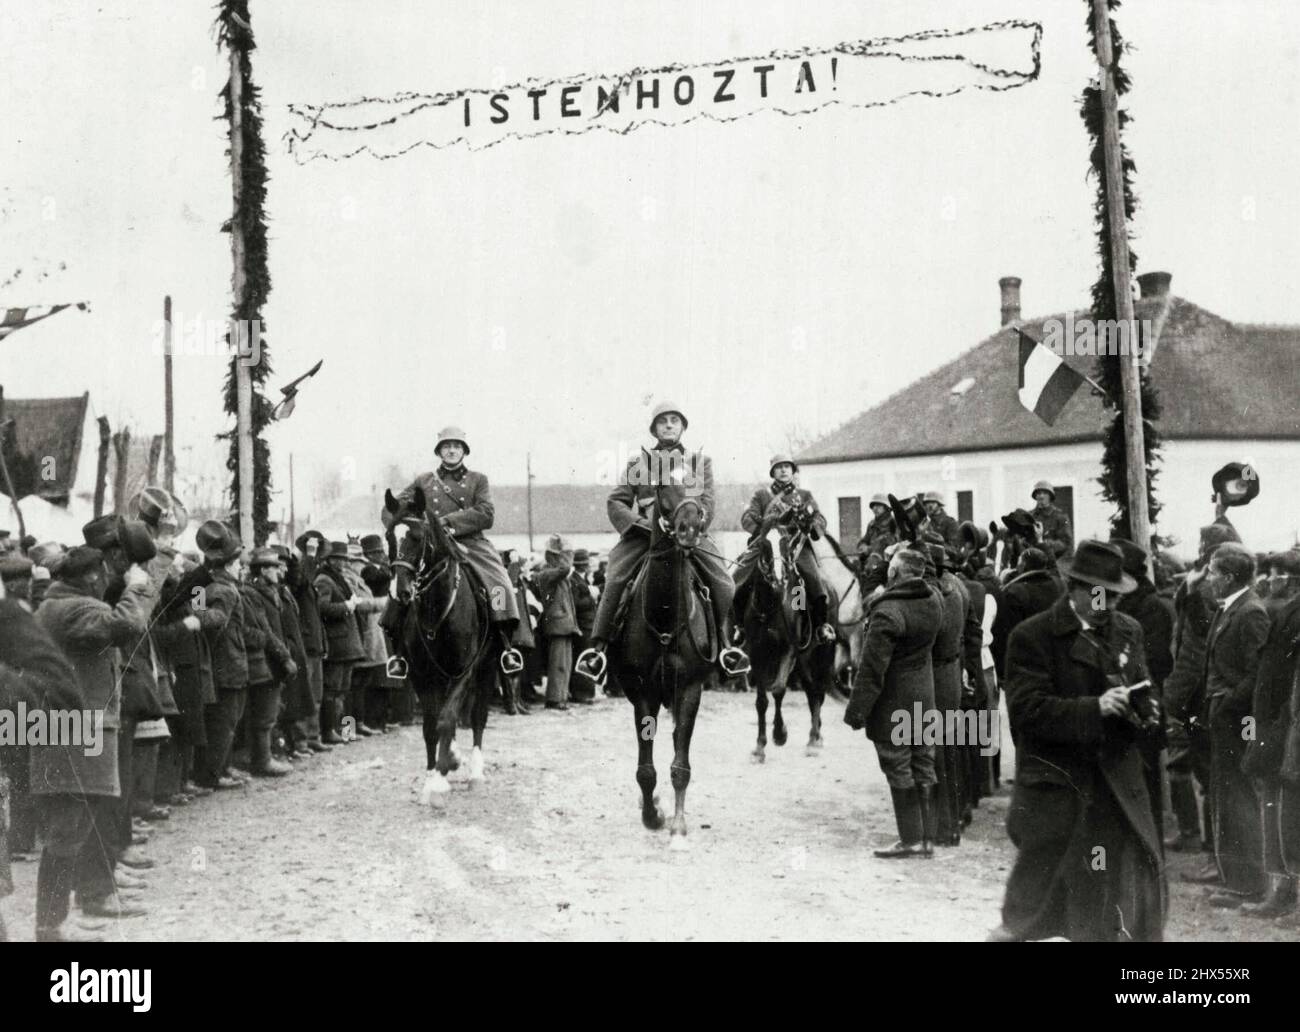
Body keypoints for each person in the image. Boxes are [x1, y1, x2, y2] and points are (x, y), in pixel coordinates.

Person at [990, 540, 1165, 942]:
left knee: (1109, 903)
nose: (1113, 605)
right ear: (1076, 588)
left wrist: (1149, 711)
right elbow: (1027, 712)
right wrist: (1094, 708)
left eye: (1118, 597)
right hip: (1058, 787)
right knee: (1027, 912)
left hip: (1114, 788)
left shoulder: (1127, 630)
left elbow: (1143, 686)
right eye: (1105, 595)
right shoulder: (1032, 637)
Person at [33, 545, 155, 930]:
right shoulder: (75, 610)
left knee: (79, 827)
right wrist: (135, 589)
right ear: (90, 577)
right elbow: (126, 625)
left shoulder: (58, 605)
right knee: (68, 833)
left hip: (72, 734)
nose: (107, 581)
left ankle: (86, 900)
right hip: (75, 737)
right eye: (103, 575)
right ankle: (52, 927)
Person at [580, 402, 746, 679]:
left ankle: (727, 646)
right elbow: (617, 502)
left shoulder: (697, 462)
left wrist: (692, 527)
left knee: (724, 581)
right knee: (615, 577)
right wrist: (645, 525)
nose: (669, 425)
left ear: (682, 427)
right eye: (663, 421)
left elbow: (706, 503)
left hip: (689, 535)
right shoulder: (640, 463)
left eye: (674, 420)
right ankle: (597, 650)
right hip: (646, 537)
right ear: (654, 428)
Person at [383, 426, 524, 672]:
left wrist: (445, 523)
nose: (451, 450)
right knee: (402, 580)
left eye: (456, 446)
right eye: (447, 446)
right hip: (429, 545)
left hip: (469, 543)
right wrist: (397, 522)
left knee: (499, 582)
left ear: (464, 451)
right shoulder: (423, 481)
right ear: (439, 451)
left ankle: (505, 642)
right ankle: (398, 652)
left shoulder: (478, 479)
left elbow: (486, 513)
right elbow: (393, 508)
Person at [843, 548, 943, 858]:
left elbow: (872, 669)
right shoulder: (933, 601)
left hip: (894, 704)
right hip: (924, 699)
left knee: (899, 768)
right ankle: (928, 839)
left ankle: (911, 839)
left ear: (894, 574)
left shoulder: (887, 611)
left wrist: (856, 712)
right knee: (924, 764)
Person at [1198, 542, 1271, 908]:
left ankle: (1249, 883)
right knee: (1228, 795)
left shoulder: (1250, 612)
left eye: (1212, 572)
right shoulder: (1231, 608)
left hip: (1239, 720)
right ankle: (1237, 879)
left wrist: (1228, 705)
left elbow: (1258, 672)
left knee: (1239, 796)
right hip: (1225, 717)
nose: (1207, 578)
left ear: (1228, 577)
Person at [1165, 523, 1238, 858]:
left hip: (1196, 689)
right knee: (1187, 764)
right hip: (1189, 686)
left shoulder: (1210, 587)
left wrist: (1192, 594)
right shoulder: (1201, 581)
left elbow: (1203, 633)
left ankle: (1206, 841)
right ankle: (1196, 835)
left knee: (1201, 767)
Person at [1239, 549, 1300, 918]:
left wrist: (1275, 725)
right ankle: (1283, 889)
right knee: (1277, 805)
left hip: (1284, 724)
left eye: (1276, 575)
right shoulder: (1283, 610)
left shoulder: (1293, 613)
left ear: (1292, 579)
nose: (1270, 580)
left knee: (1284, 809)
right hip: (1276, 721)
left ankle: (1285, 891)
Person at [732, 454, 835, 645]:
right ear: (773, 472)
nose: (783, 470)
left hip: (796, 547)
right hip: (768, 545)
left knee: (813, 581)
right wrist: (763, 529)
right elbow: (748, 517)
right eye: (779, 467)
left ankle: (819, 626)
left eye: (787, 466)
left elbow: (820, 520)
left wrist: (810, 525)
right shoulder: (762, 495)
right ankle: (738, 626)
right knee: (739, 579)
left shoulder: (804, 496)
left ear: (793, 471)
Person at [195, 521, 252, 789]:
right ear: (229, 565)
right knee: (224, 723)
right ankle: (214, 774)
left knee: (226, 722)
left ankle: (223, 769)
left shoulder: (211, 586)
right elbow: (215, 622)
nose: (241, 568)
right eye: (239, 564)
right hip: (228, 664)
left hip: (226, 663)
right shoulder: (225, 590)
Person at [241, 547, 297, 776]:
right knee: (264, 714)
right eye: (274, 566)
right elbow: (264, 629)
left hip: (271, 656)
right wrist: (284, 656)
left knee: (271, 711)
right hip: (264, 658)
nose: (278, 570)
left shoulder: (270, 590)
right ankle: (262, 760)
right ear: (263, 570)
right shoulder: (253, 593)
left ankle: (269, 754)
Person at [316, 541, 366, 744]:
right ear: (329, 559)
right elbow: (322, 607)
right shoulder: (324, 580)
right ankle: (330, 731)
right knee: (333, 691)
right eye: (338, 559)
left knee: (343, 691)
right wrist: (346, 606)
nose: (342, 563)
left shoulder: (338, 579)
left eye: (344, 559)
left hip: (346, 643)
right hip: (338, 643)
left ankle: (345, 731)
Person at [990, 547, 1061, 680]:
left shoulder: (1014, 593)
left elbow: (1005, 637)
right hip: (1057, 663)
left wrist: (1003, 674)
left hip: (1027, 669)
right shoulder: (1058, 585)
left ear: (1022, 565)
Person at [535, 535, 579, 710]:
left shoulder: (551, 574)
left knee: (565, 663)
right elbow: (565, 568)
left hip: (564, 624)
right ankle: (554, 698)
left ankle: (561, 696)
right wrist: (565, 552)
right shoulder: (546, 574)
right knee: (558, 664)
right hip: (558, 624)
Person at [1029, 481, 1073, 558]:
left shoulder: (1060, 516)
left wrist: (1043, 543)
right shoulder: (1029, 516)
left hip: (1053, 559)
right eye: (1039, 493)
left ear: (1050, 496)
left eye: (1045, 493)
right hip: (1031, 559)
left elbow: (1066, 543)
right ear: (1035, 496)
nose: (1041, 496)